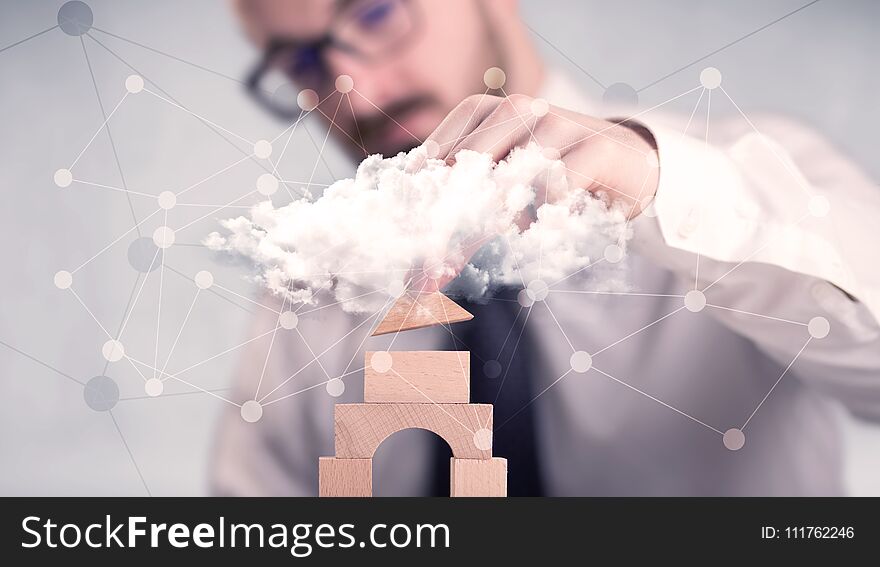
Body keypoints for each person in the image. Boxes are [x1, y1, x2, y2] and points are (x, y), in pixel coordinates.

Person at [211, 0, 880, 496]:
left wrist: (656, 184)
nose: (359, 92)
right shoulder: (318, 290)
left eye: (378, 13)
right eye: (301, 62)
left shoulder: (746, 182)